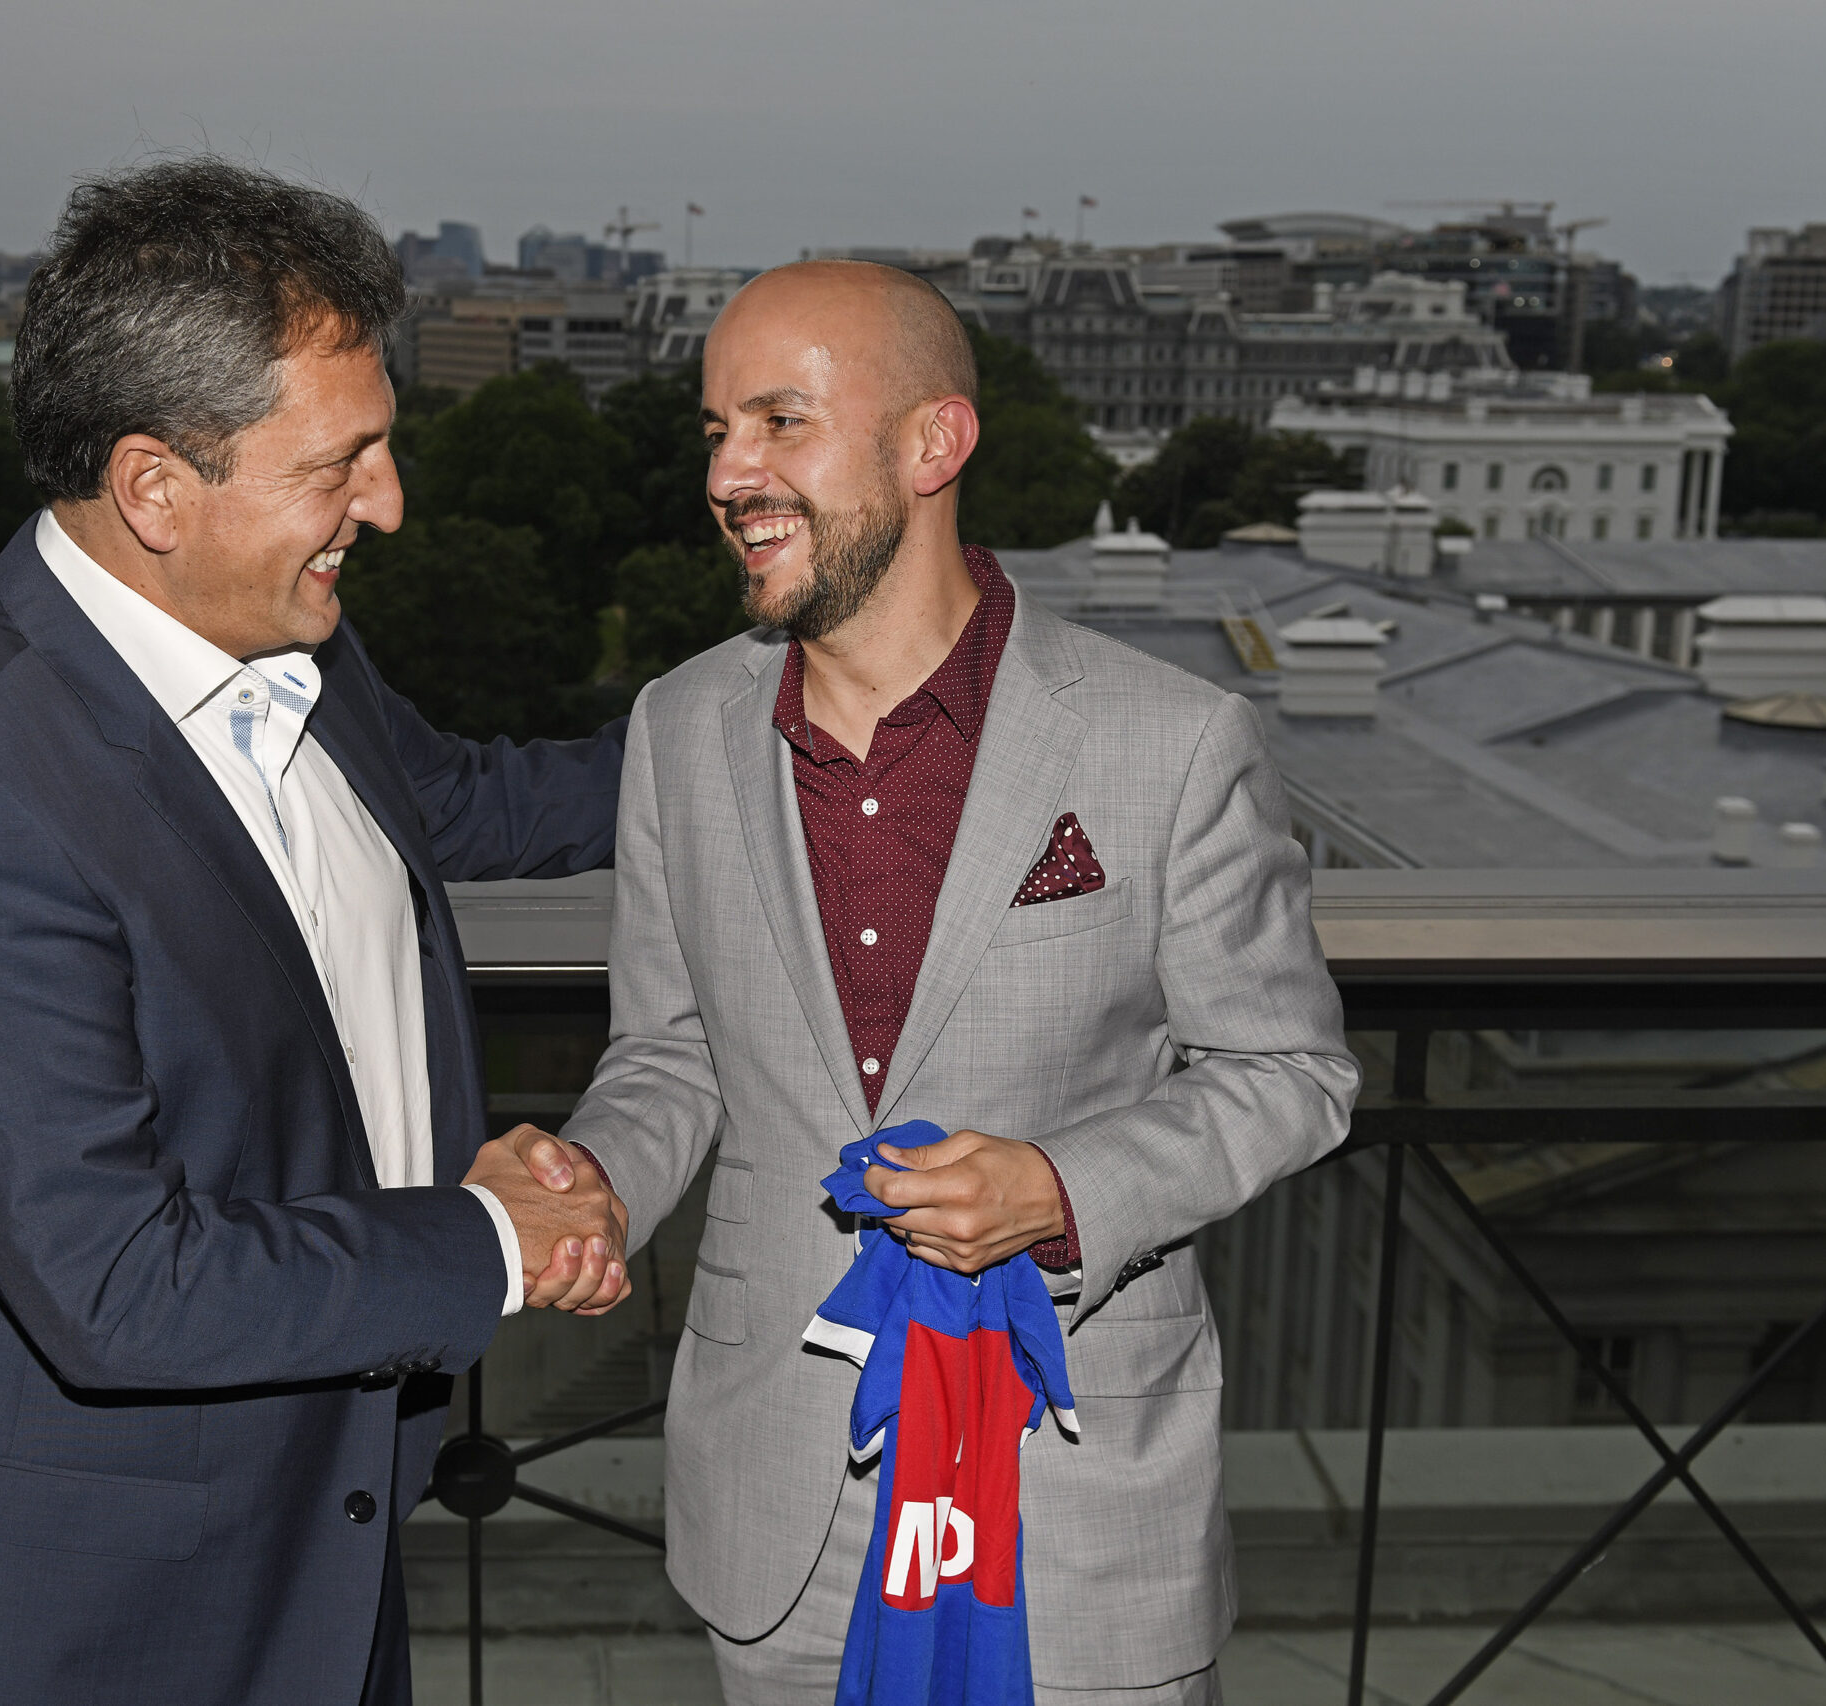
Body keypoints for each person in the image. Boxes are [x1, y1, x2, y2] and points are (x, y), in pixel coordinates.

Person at [0, 158, 630, 1706]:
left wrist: (779, 736)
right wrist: (491, 1240)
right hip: (106, 1617)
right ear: (153, 487)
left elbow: (459, 807)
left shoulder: (277, 621)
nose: (386, 503)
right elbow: (114, 1281)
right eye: (344, 462)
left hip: (326, 1530)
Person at [532, 261, 1361, 1704]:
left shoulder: (1173, 740)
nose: (730, 472)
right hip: (776, 1485)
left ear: (934, 446)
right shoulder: (679, 728)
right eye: (715, 430)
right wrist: (592, 1174)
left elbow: (1292, 1075)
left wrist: (1064, 1186)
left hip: (1076, 1489)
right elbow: (669, 1051)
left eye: (780, 421)